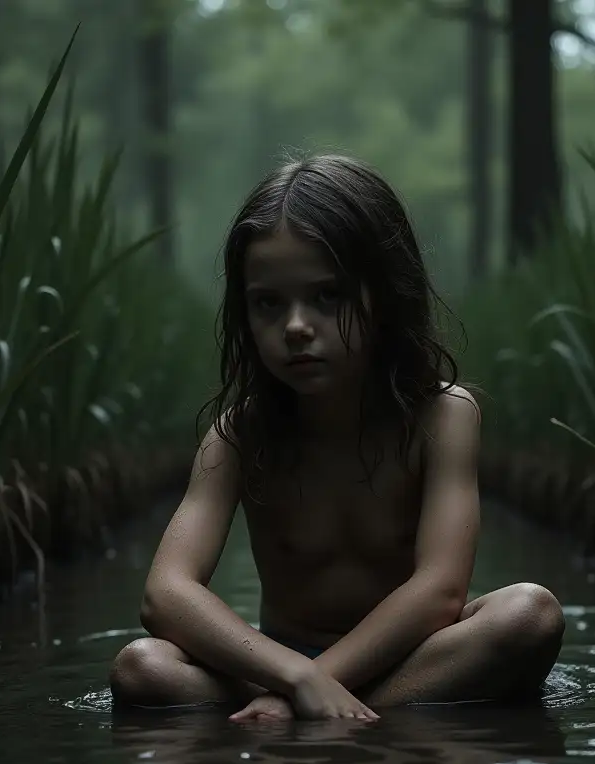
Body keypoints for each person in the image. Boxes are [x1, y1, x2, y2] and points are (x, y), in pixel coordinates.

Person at [109, 153, 566, 721]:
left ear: (383, 296)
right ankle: (342, 714)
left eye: (327, 296)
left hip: (407, 662)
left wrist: (307, 690)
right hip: (277, 668)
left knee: (528, 614)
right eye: (269, 303)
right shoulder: (239, 435)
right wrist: (294, 676)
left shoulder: (443, 416)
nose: (296, 326)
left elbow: (441, 591)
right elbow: (166, 593)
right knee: (142, 666)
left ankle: (323, 712)